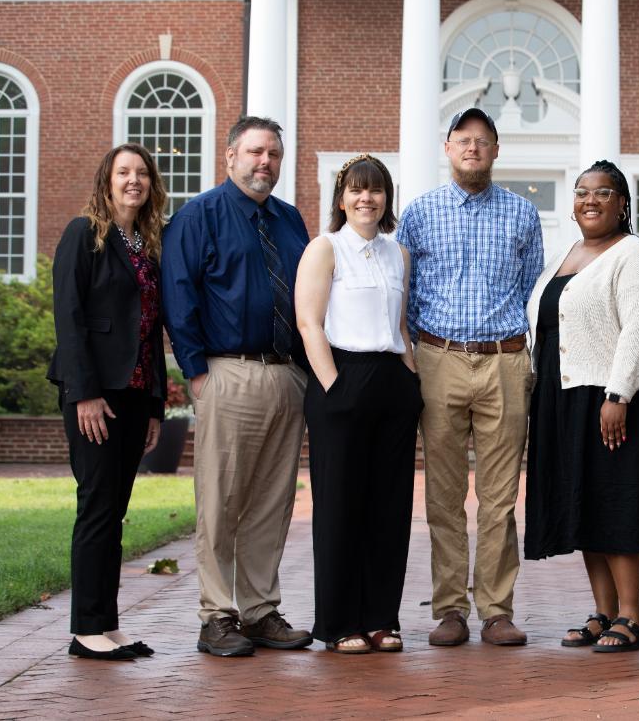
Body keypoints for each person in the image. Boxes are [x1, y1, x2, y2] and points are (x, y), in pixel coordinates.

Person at [161, 116, 312, 658]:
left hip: (285, 375)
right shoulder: (197, 216)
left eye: (273, 153)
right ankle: (215, 615)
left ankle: (259, 611)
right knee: (221, 500)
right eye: (254, 152)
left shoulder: (291, 220)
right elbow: (179, 297)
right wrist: (197, 371)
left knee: (272, 503)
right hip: (227, 372)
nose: (264, 162)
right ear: (230, 157)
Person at [396, 108, 544, 647]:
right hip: (439, 358)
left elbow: (527, 285)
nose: (473, 148)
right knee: (443, 494)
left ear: (497, 149)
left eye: (483, 141)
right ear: (447, 146)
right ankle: (450, 608)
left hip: (504, 359)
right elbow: (405, 288)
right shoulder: (418, 214)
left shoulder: (523, 215)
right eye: (463, 140)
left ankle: (497, 609)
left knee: (501, 497)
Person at [524, 160, 639, 653]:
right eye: (582, 192)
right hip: (565, 396)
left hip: (614, 399)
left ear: (622, 202)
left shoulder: (636, 255)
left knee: (618, 503)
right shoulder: (564, 256)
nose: (590, 200)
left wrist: (619, 394)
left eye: (602, 192)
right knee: (586, 504)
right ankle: (604, 612)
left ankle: (633, 616)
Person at [294, 154, 423, 654]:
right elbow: (309, 323)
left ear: (386, 198)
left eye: (375, 190)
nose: (365, 198)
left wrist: (410, 379)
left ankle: (381, 619)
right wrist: (334, 386)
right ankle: (340, 621)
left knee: (389, 509)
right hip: (342, 380)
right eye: (355, 189)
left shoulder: (399, 254)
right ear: (341, 197)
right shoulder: (325, 249)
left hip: (393, 382)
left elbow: (401, 325)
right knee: (340, 507)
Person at [49, 142, 168, 660]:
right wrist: (85, 395)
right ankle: (86, 629)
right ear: (107, 180)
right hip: (95, 394)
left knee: (114, 510)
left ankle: (106, 623)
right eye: (124, 172)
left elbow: (151, 330)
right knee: (96, 505)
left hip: (136, 393)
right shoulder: (84, 234)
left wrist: (158, 405)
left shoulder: (148, 243)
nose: (133, 181)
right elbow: (69, 318)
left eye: (141, 173)